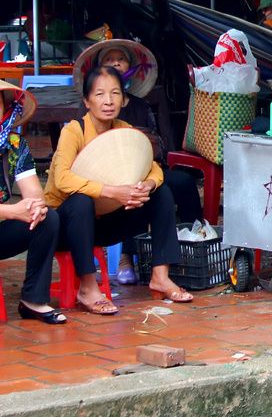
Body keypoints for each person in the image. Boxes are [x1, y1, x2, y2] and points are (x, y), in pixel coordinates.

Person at [46, 67, 193, 314]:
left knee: (161, 193)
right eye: (100, 94)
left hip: (103, 224)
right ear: (87, 101)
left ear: (123, 100)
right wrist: (112, 192)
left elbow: (153, 168)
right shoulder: (74, 131)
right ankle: (88, 287)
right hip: (65, 227)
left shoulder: (124, 129)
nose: (108, 101)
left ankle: (160, 276)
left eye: (115, 93)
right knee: (81, 201)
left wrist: (146, 185)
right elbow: (62, 179)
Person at [74, 40, 203, 285]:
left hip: (144, 169)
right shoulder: (87, 114)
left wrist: (150, 174)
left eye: (120, 59)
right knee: (131, 189)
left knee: (182, 183)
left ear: (130, 68)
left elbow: (156, 148)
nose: (115, 64)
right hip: (105, 180)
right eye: (109, 60)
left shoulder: (140, 105)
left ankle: (194, 241)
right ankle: (126, 257)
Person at [0, 81, 64, 324]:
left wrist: (34, 207)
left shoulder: (15, 145)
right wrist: (11, 211)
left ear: (5, 108)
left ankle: (33, 300)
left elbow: (35, 195)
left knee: (47, 218)